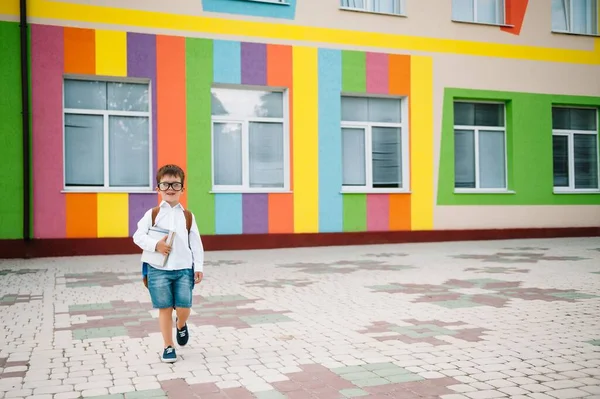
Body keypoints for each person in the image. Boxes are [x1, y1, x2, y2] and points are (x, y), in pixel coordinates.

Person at [133, 164, 204, 363]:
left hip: (183, 269)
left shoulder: (188, 216)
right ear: (158, 188)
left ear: (182, 189)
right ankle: (168, 346)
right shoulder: (153, 214)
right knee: (164, 307)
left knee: (184, 307)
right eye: (165, 184)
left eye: (175, 184)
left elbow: (196, 243)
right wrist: (156, 245)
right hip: (158, 270)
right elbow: (137, 236)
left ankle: (181, 325)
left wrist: (198, 266)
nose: (170, 188)